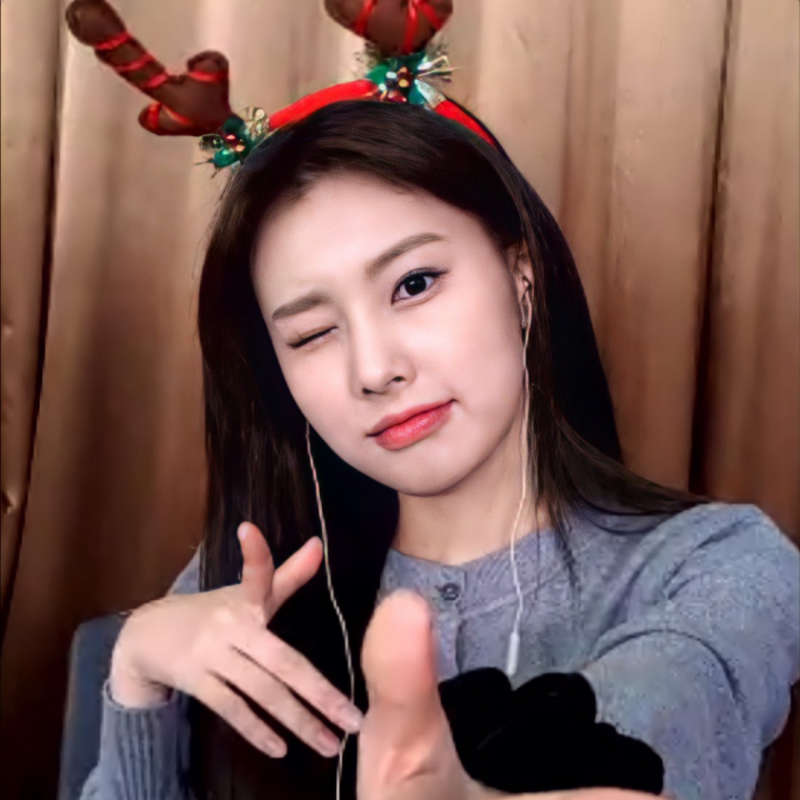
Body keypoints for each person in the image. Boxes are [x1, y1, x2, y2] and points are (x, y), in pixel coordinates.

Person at [74, 96, 800, 800]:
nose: (374, 369)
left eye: (414, 284)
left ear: (522, 279)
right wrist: (139, 672)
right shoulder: (248, 580)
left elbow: (665, 710)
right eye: (313, 333)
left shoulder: (721, 563)